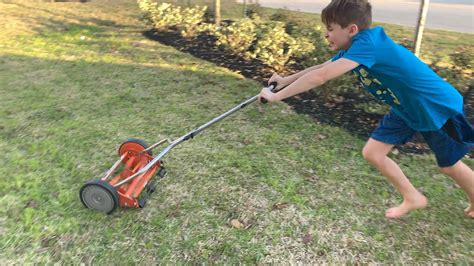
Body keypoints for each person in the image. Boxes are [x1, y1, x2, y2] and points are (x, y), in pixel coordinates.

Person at [258, 0, 474, 219]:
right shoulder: (355, 46)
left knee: (449, 166)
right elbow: (322, 68)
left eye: (330, 29)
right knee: (373, 153)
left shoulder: (367, 45)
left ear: (352, 30)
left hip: (435, 107)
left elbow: (320, 77)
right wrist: (284, 81)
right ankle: (412, 197)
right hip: (406, 107)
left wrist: (277, 96)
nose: (326, 35)